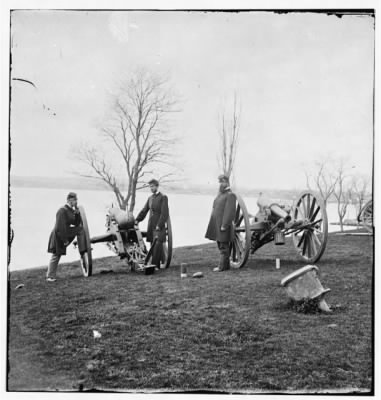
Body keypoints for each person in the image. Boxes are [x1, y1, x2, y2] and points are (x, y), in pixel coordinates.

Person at [46, 192, 86, 281]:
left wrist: (77, 213)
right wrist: (65, 240)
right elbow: (60, 227)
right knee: (56, 254)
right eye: (75, 200)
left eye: (76, 200)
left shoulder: (70, 210)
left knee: (79, 229)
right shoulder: (62, 210)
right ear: (69, 200)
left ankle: (82, 248)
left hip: (65, 232)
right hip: (59, 234)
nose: (76, 202)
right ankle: (50, 276)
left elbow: (76, 223)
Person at [135, 179, 169, 269]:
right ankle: (155, 265)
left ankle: (154, 265)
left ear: (157, 186)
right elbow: (144, 210)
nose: (151, 188)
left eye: (153, 186)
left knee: (157, 244)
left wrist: (159, 225)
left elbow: (165, 213)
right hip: (151, 225)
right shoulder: (150, 198)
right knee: (152, 245)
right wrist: (137, 220)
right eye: (150, 186)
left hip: (159, 226)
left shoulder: (163, 197)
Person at [205, 174, 236, 272]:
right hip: (217, 225)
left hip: (223, 225)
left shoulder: (230, 195)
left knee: (223, 246)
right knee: (220, 244)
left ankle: (222, 267)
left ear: (227, 182)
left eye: (222, 182)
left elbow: (229, 212)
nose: (221, 184)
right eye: (220, 182)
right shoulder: (220, 195)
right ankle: (226, 266)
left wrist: (224, 225)